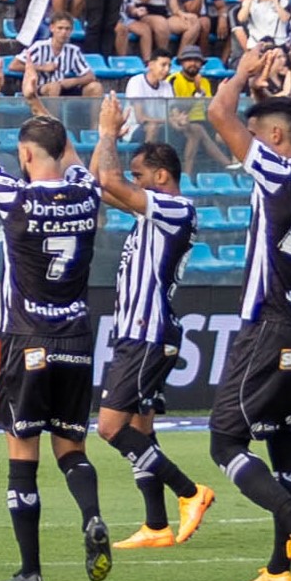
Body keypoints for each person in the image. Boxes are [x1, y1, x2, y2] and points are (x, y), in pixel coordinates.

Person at [0, 92, 115, 581]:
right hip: (76, 336)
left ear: (25, 157)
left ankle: (31, 569)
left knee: (21, 449)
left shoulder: (16, 195)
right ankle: (91, 514)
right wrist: (45, 108)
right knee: (70, 444)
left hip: (27, 337)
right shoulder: (85, 192)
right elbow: (72, 158)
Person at [202, 58, 291, 581]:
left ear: (276, 137)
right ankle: (284, 565)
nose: (247, 149)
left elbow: (217, 111)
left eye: (257, 137)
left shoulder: (278, 170)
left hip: (271, 323)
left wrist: (240, 72)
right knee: (285, 442)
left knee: (226, 442)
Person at [86, 95, 206, 551]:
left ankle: (191, 493)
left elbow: (111, 178)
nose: (132, 184)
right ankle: (156, 524)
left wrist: (108, 132)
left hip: (147, 331)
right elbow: (101, 185)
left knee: (111, 428)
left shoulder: (175, 208)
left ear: (161, 176)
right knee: (141, 426)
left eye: (141, 176)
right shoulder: (150, 212)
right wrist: (106, 137)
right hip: (138, 330)